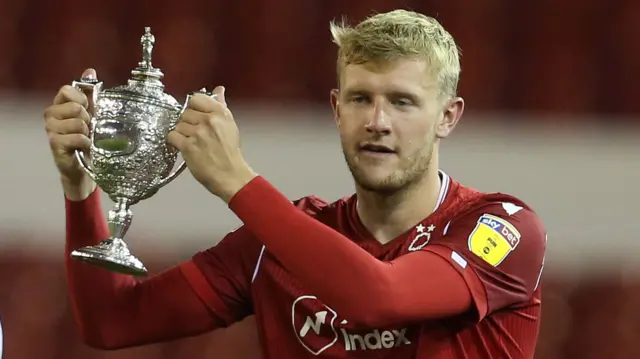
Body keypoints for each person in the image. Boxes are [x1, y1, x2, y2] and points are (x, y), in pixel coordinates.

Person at [43, 9, 546, 359]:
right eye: (359, 99)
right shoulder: (277, 243)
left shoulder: (501, 227)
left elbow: (380, 297)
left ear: (448, 117)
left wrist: (236, 180)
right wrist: (78, 186)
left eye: (402, 101)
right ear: (336, 109)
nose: (377, 121)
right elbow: (110, 322)